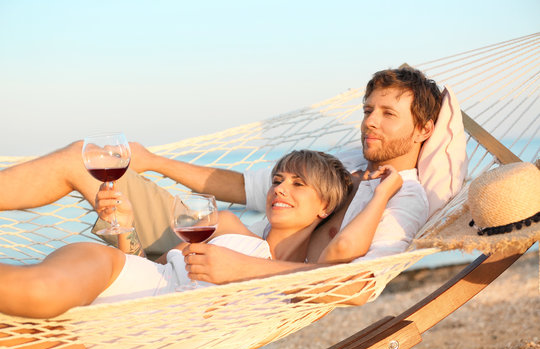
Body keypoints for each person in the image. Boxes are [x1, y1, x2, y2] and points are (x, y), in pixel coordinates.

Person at [0, 66, 441, 290]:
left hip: (238, 272)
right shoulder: (348, 158)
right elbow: (245, 188)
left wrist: (244, 267)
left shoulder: (407, 198)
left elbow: (354, 281)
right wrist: (155, 162)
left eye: (388, 115)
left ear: (423, 130)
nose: (370, 123)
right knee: (86, 157)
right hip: (216, 244)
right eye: (367, 111)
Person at [0, 149, 405, 319]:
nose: (280, 188)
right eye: (278, 180)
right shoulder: (227, 225)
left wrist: (384, 190)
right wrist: (122, 222)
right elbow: (148, 265)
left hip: (138, 323)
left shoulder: (300, 275)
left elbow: (349, 271)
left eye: (298, 184)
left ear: (325, 208)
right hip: (115, 277)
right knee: (38, 293)